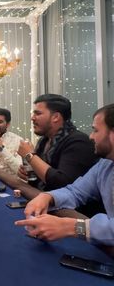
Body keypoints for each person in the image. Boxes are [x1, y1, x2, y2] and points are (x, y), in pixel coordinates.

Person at [15, 104, 114, 245]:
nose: (91, 136)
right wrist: (47, 197)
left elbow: (60, 179)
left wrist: (70, 226)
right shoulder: (105, 165)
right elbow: (75, 191)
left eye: (96, 130)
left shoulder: (78, 141)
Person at [17, 94, 97, 191]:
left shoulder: (79, 142)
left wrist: (30, 156)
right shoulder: (44, 140)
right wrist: (30, 172)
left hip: (69, 205)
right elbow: (41, 179)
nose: (32, 118)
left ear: (55, 117)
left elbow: (62, 183)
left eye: (38, 114)